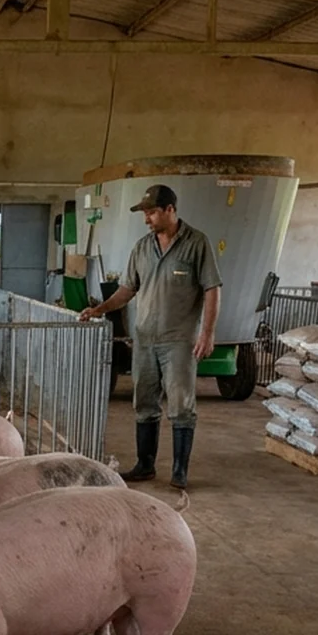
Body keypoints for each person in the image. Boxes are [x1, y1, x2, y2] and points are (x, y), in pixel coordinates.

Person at [79, 184, 221, 490]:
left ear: (170, 209)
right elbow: (127, 290)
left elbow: (212, 288)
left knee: (181, 406)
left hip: (179, 340)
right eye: (145, 213)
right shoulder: (142, 247)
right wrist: (100, 309)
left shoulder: (197, 243)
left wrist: (207, 333)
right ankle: (145, 465)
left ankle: (180, 470)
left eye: (152, 212)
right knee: (144, 402)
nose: (147, 219)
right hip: (145, 339)